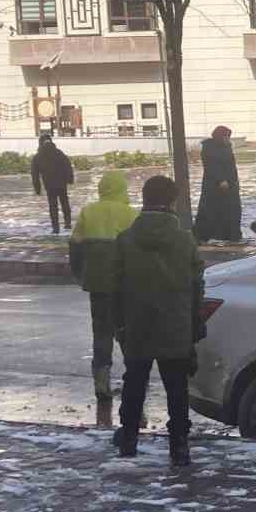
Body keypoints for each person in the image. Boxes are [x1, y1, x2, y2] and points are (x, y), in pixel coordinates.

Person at [112, 175, 205, 467]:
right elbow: (196, 286)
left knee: (134, 382)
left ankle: (128, 441)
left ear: (144, 198)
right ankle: (179, 447)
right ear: (172, 201)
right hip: (176, 324)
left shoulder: (126, 239)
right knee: (176, 388)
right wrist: (195, 325)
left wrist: (120, 325)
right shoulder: (185, 239)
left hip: (137, 324)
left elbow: (115, 287)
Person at [70, 170, 139, 410]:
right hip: (126, 286)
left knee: (101, 332)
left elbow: (75, 247)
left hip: (98, 284)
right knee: (128, 332)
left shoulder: (89, 212)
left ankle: (102, 381)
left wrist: (81, 274)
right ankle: (134, 380)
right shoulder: (131, 214)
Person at [194, 126, 243, 243]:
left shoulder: (227, 146)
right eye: (225, 136)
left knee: (232, 209)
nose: (227, 138)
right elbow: (210, 166)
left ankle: (231, 235)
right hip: (215, 186)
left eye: (228, 136)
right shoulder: (209, 147)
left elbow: (230, 165)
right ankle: (213, 235)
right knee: (215, 210)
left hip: (231, 184)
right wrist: (221, 180)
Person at [31, 134, 75, 234]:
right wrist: (70, 179)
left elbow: (35, 175)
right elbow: (68, 166)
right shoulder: (59, 153)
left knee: (53, 205)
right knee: (65, 202)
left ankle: (55, 228)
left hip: (49, 185)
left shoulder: (38, 157)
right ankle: (68, 224)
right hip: (62, 183)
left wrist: (38, 189)